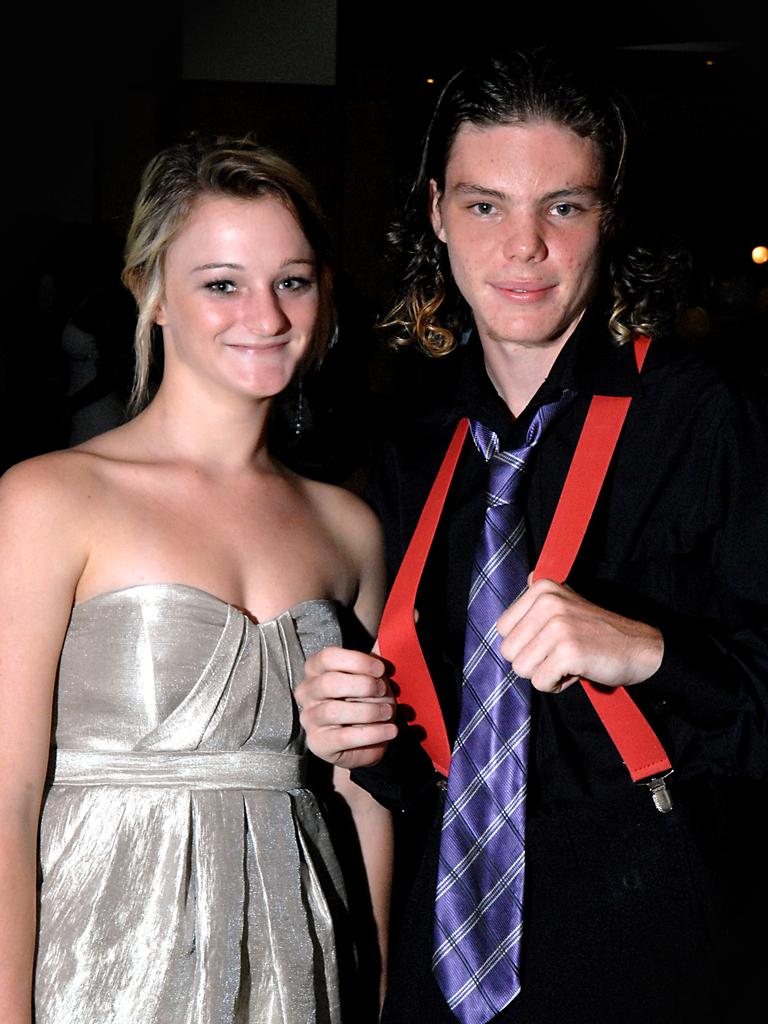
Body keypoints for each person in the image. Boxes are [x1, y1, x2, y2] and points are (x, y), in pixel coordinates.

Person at [296, 50, 768, 1023]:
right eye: (484, 206)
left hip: (650, 941)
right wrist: (355, 732)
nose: (524, 249)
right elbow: (420, 761)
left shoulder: (703, 417)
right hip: (440, 949)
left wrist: (652, 652)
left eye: (564, 207)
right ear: (435, 212)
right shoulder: (414, 450)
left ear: (610, 217)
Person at [0, 137, 392, 1024]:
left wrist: (372, 996)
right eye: (222, 283)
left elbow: (364, 798)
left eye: (291, 280)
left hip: (303, 965)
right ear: (151, 293)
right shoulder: (51, 499)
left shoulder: (350, 528)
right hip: (102, 966)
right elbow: (7, 799)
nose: (265, 314)